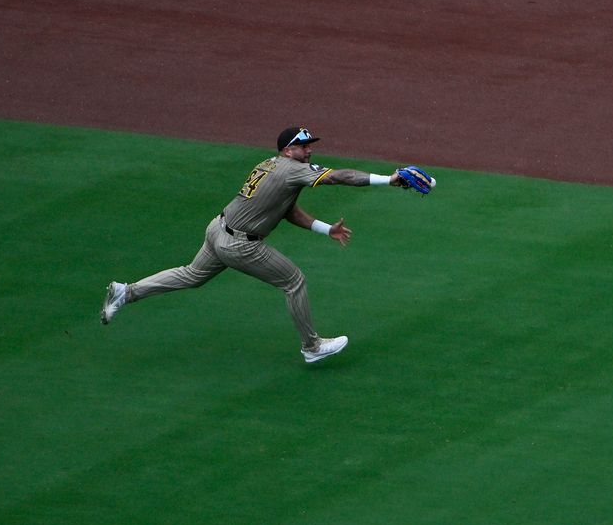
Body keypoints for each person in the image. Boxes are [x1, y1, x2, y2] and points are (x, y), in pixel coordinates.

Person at [100, 126, 405, 363]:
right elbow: (338, 177)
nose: (309, 150)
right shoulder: (291, 169)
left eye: (310, 145)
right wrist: (388, 179)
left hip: (218, 229)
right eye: (303, 146)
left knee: (192, 275)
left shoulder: (270, 165)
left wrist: (327, 230)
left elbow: (287, 211)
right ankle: (312, 347)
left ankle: (126, 292)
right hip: (240, 244)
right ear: (287, 150)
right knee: (294, 280)